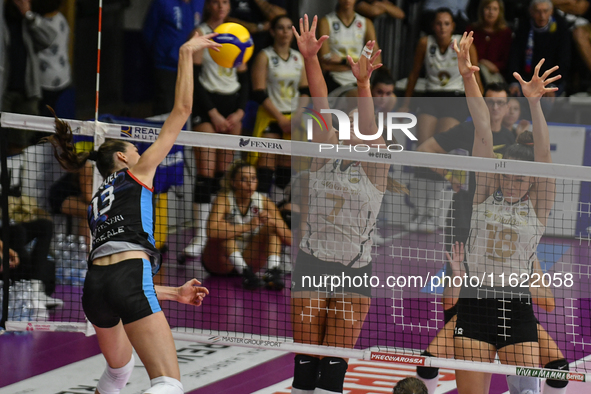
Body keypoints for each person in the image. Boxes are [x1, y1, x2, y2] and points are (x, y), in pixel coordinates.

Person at [43, 32, 219, 394]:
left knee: (118, 373)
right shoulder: (137, 173)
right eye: (134, 148)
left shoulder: (96, 201)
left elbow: (116, 263)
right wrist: (185, 53)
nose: (141, 151)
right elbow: (182, 112)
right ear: (122, 158)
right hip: (126, 278)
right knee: (168, 382)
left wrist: (172, 293)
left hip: (94, 289)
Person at [290, 15, 403, 394]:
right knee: (305, 362)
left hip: (354, 270)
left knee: (334, 368)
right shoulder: (325, 152)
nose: (353, 126)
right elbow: (319, 99)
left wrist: (363, 83)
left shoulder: (376, 167)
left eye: (360, 123)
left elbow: (370, 128)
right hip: (311, 261)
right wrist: (310, 58)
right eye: (347, 121)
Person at [453, 31, 563, 394]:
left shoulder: (538, 204)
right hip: (475, 302)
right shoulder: (485, 192)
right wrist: (469, 76)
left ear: (532, 181)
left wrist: (534, 104)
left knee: (526, 392)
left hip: (516, 307)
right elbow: (482, 127)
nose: (515, 185)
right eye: (509, 178)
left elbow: (544, 157)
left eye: (522, 180)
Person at [184, 0, 250, 259]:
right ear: (208, 4)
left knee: (225, 174)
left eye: (226, 2)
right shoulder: (200, 33)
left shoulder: (236, 32)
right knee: (206, 174)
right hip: (206, 105)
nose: (221, 6)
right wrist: (211, 112)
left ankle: (220, 231)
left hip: (231, 105)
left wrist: (241, 111)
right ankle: (200, 235)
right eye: (216, 1)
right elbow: (195, 78)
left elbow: (243, 79)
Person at [416, 82, 515, 246]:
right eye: (490, 102)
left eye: (500, 103)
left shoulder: (510, 138)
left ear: (507, 107)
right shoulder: (466, 130)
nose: (495, 107)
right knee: (455, 267)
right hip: (462, 214)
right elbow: (424, 150)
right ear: (482, 104)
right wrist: (448, 174)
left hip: (495, 214)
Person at [202, 160, 292, 290]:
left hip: (250, 259)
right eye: (244, 179)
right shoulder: (224, 199)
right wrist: (248, 226)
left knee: (272, 229)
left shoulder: (265, 202)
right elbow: (210, 232)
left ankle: (273, 272)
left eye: (253, 178)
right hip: (220, 263)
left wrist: (274, 222)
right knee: (223, 231)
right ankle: (245, 274)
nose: (250, 183)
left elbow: (291, 240)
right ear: (233, 182)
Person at [249, 14, 309, 200]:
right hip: (271, 116)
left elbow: (305, 89)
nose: (285, 32)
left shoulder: (299, 57)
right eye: (281, 28)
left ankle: (277, 209)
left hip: (294, 117)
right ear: (273, 31)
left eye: (289, 28)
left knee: (287, 168)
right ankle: (257, 210)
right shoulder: (264, 56)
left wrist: (297, 116)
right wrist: (281, 119)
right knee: (266, 165)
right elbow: (258, 92)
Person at [143, 0, 205, 116]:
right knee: (166, 107)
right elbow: (149, 31)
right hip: (166, 64)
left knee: (188, 108)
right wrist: (160, 54)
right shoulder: (163, 2)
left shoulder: (200, 2)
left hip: (191, 66)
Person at [507, 0, 570, 97]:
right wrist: (514, 82)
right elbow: (514, 57)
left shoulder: (560, 28)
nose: (542, 16)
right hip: (526, 79)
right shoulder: (523, 27)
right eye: (538, 11)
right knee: (514, 96)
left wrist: (551, 85)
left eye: (545, 11)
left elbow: (564, 61)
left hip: (551, 81)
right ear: (531, 11)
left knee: (545, 101)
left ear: (551, 11)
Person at [318, 0, 381, 95]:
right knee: (359, 96)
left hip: (360, 78)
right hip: (336, 80)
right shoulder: (326, 22)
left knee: (390, 98)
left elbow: (377, 61)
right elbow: (325, 64)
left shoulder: (366, 23)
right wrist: (361, 65)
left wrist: (342, 61)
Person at [34, 0, 72, 118]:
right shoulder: (61, 19)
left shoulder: (38, 23)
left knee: (41, 115)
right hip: (63, 76)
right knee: (50, 112)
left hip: (45, 79)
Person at [466, 0, 512, 85]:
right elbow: (466, 55)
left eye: (495, 9)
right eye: (488, 8)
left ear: (500, 12)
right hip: (474, 71)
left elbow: (508, 60)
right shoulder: (472, 30)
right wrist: (483, 62)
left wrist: (495, 66)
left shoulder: (506, 33)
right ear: (481, 10)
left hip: (497, 75)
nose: (491, 12)